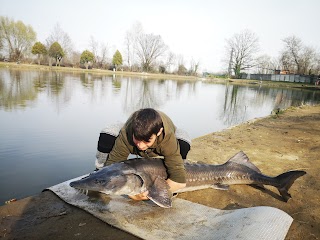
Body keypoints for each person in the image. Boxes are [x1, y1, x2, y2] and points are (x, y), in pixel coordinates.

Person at [95, 108, 191, 201]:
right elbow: (112, 166)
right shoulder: (126, 133)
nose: (141, 146)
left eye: (146, 141)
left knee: (183, 145)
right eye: (137, 139)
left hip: (166, 142)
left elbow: (179, 181)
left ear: (159, 132)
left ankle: (177, 180)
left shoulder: (167, 138)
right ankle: (99, 170)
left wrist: (154, 192)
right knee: (108, 134)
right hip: (130, 134)